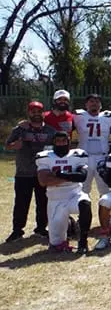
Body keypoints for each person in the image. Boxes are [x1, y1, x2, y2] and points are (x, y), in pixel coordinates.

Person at [5, 101, 57, 242]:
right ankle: (17, 230)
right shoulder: (19, 130)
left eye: (39, 111)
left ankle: (41, 228)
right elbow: (7, 145)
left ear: (43, 113)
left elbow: (58, 148)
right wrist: (14, 146)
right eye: (33, 111)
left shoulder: (50, 131)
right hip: (23, 172)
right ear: (28, 113)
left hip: (43, 172)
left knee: (43, 202)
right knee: (21, 203)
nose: (36, 114)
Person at [35, 132, 91, 253]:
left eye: (64, 141)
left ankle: (83, 242)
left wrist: (58, 174)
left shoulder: (78, 155)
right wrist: (71, 176)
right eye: (58, 141)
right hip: (55, 200)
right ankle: (68, 228)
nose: (61, 143)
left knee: (85, 203)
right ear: (53, 142)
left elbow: (82, 177)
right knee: (56, 244)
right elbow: (43, 181)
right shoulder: (45, 156)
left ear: (69, 142)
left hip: (74, 195)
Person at [73, 94, 111, 196]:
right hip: (84, 157)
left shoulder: (108, 117)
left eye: (97, 102)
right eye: (91, 101)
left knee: (104, 188)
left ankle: (105, 207)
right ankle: (84, 206)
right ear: (86, 104)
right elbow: (68, 133)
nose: (94, 104)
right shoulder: (79, 116)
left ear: (101, 105)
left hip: (102, 157)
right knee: (83, 188)